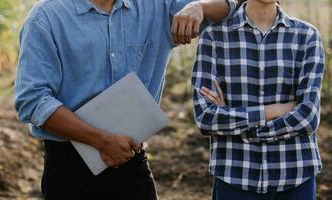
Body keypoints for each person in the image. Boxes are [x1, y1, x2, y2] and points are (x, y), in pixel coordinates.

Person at [13, 0, 237, 199]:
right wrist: (102, 141)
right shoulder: (46, 18)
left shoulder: (156, 6)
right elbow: (32, 100)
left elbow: (229, 6)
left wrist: (198, 6)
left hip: (130, 159)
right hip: (68, 166)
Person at [191, 0, 325, 199]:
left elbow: (307, 117)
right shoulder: (214, 37)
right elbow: (206, 118)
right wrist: (275, 111)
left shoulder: (307, 36)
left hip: (296, 177)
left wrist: (241, 128)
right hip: (235, 177)